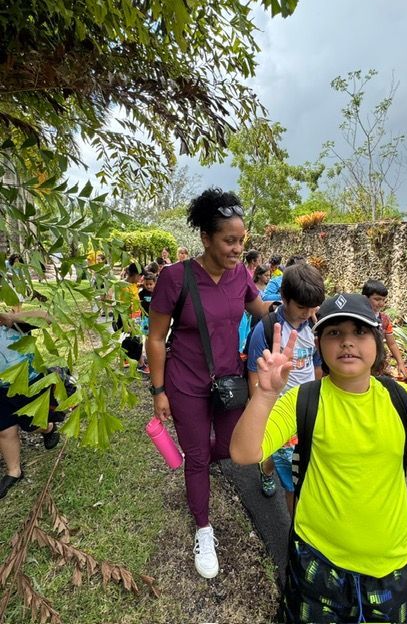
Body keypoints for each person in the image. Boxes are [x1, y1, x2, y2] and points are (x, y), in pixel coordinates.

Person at [231, 293, 407, 623]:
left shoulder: (401, 398)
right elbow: (244, 452)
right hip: (318, 564)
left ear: (377, 342)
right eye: (334, 333)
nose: (347, 342)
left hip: (393, 568)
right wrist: (264, 394)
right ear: (319, 344)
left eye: (359, 332)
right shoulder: (303, 399)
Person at [146, 187, 272, 579]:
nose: (237, 249)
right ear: (205, 238)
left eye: (242, 241)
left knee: (237, 448)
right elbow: (155, 337)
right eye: (229, 241)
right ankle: (203, 527)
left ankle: (195, 459)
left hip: (229, 382)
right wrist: (158, 390)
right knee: (199, 457)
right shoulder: (174, 278)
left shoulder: (241, 277)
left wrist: (297, 304)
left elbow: (261, 310)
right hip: (185, 383)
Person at [247, 263, 324, 514]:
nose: (307, 312)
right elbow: (253, 375)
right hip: (279, 410)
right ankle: (295, 537)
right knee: (292, 483)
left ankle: (266, 466)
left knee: (304, 466)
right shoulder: (267, 330)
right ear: (284, 298)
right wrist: (261, 413)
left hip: (307, 409)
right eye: (301, 306)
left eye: (312, 306)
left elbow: (317, 365)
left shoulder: (315, 328)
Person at [0, 309, 61, 499]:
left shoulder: (13, 326)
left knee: (32, 425)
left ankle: (48, 428)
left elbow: (47, 317)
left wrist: (10, 318)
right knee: (4, 430)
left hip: (30, 383)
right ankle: (14, 471)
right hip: (1, 390)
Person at [362, 279, 407, 377]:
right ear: (365, 298)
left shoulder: (385, 319)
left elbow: (391, 343)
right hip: (360, 361)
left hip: (378, 362)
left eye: (383, 300)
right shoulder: (356, 318)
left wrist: (400, 363)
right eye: (377, 299)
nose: (381, 304)